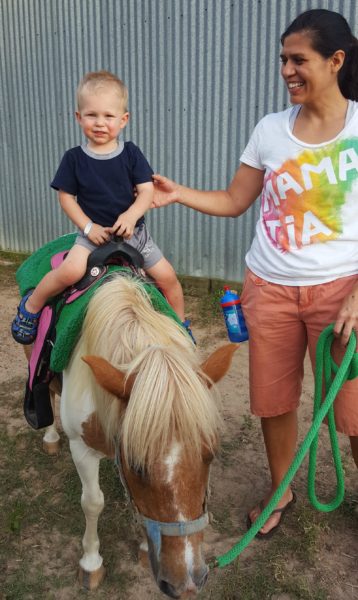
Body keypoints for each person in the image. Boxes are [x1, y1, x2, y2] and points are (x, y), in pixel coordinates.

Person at [152, 9, 358, 537]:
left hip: (341, 293)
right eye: (283, 60)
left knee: (352, 410)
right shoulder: (270, 129)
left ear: (335, 61)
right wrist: (178, 195)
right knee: (273, 399)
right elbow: (234, 199)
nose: (287, 69)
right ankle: (281, 488)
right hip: (268, 287)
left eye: (299, 59)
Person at [11, 70, 194, 345]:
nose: (100, 123)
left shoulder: (131, 153)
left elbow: (146, 191)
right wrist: (87, 227)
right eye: (91, 115)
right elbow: (66, 198)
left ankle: (180, 326)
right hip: (93, 236)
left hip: (135, 235)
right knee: (70, 271)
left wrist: (132, 215)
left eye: (108, 116)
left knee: (168, 278)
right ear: (78, 117)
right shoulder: (73, 159)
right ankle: (32, 306)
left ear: (123, 120)